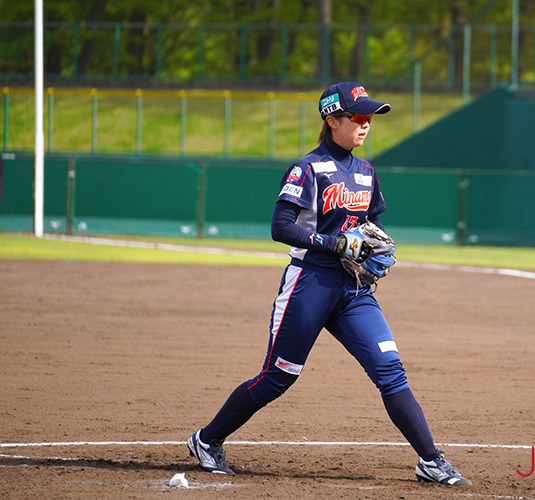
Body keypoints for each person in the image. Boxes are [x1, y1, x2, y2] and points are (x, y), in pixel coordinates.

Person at [186, 81, 472, 486]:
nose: (365, 123)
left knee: (390, 370)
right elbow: (280, 226)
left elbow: (373, 222)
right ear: (332, 119)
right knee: (279, 376)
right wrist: (334, 242)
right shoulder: (308, 168)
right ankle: (207, 440)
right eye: (357, 116)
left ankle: (431, 460)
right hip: (310, 283)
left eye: (369, 117)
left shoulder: (367, 172)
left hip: (354, 290)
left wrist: (377, 247)